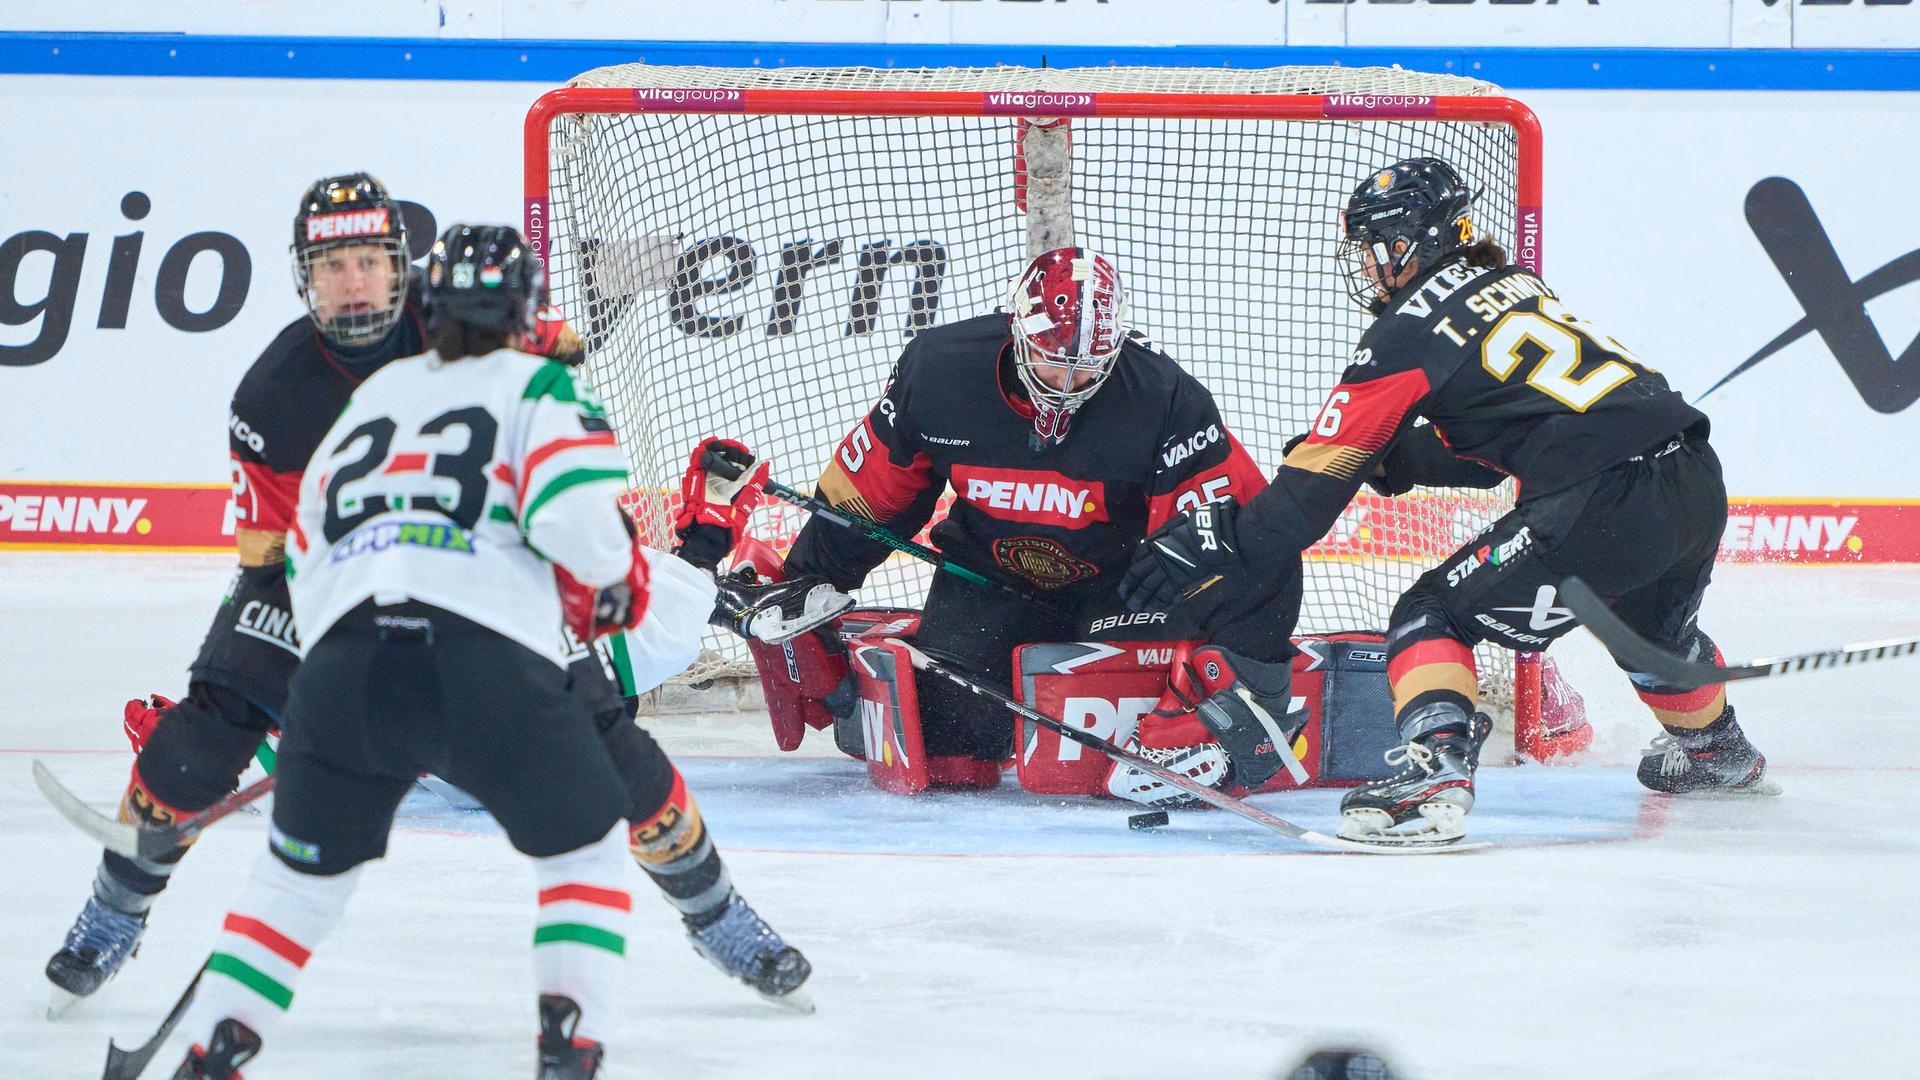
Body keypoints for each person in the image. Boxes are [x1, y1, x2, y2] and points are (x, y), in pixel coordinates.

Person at [47, 176, 805, 1017]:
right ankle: (114, 910)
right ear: (304, 276)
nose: (355, 283)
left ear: (401, 267)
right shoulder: (272, 397)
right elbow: (268, 555)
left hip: (480, 558)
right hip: (336, 567)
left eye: (370, 261)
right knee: (215, 714)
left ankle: (715, 913)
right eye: (333, 265)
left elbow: (560, 400)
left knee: (598, 724)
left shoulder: (461, 328)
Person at [1121, 157, 1775, 845]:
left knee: (1429, 616)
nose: (1371, 269)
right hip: (1693, 477)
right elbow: (1499, 445)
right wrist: (1396, 458)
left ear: (1416, 242)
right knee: (1656, 637)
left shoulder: (1405, 332)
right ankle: (1718, 751)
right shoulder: (1515, 283)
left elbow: (1304, 505)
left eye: (1378, 249)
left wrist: (1221, 543)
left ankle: (1435, 771)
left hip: (1599, 498)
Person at [772, 246, 1300, 804]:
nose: (1069, 381)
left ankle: (1241, 698)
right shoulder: (939, 370)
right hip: (989, 582)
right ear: (1019, 331)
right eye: (1053, 360)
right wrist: (806, 577)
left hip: (1115, 595)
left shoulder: (1163, 395)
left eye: (1089, 366)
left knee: (1261, 561)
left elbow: (1239, 530)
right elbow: (870, 493)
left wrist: (1190, 557)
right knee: (949, 747)